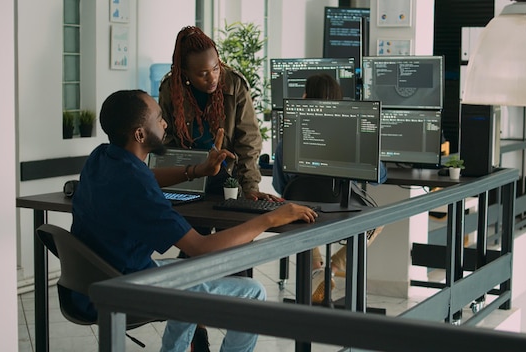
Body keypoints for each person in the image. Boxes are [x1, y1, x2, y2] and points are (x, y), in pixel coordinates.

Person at [71, 89, 318, 352]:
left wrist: (197, 171)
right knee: (252, 292)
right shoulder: (137, 186)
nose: (164, 122)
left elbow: (146, 176)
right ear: (140, 134)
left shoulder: (101, 157)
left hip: (93, 281)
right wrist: (270, 218)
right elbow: (200, 247)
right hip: (125, 287)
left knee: (187, 276)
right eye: (158, 118)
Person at [271, 73, 386, 304]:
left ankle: (315, 267)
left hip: (302, 212)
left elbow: (280, 186)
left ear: (305, 97)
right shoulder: (352, 133)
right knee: (377, 221)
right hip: (341, 210)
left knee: (303, 213)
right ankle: (332, 267)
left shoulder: (290, 137)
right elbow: (378, 176)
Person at [158, 25, 279, 201]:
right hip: (187, 176)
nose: (213, 78)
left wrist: (250, 187)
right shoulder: (171, 88)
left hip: (227, 175)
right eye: (203, 74)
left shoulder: (234, 84)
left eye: (216, 68)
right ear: (186, 73)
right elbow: (166, 139)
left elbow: (248, 141)